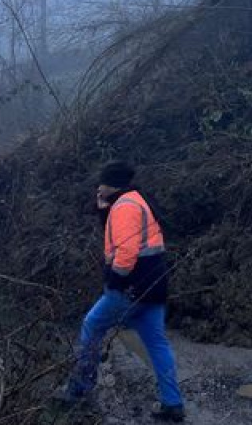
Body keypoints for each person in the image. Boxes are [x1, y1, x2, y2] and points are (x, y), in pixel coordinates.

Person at [55, 160, 185, 422]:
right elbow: (126, 237)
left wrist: (115, 282)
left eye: (100, 184)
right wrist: (105, 212)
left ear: (109, 184)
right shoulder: (135, 200)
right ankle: (173, 404)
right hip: (153, 286)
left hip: (130, 288)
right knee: (158, 344)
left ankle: (79, 390)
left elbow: (125, 251)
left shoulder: (124, 207)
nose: (98, 189)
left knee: (91, 326)